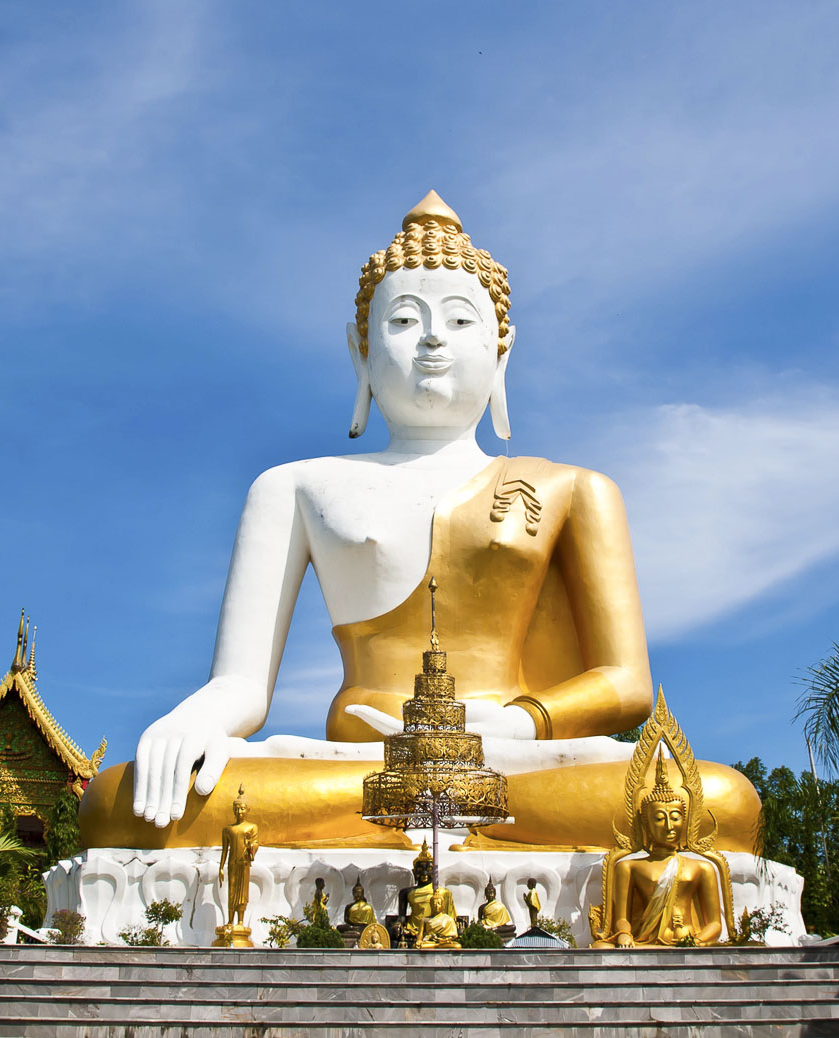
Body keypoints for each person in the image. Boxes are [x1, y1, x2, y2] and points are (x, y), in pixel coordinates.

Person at [79, 192, 759, 852]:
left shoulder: (572, 489)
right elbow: (241, 687)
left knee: (715, 802)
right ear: (359, 350)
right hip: (358, 763)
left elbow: (627, 684)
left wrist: (520, 724)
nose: (433, 339)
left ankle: (433, 813)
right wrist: (197, 719)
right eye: (403, 321)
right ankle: (424, 817)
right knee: (126, 800)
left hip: (514, 760)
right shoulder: (294, 488)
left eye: (461, 322)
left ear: (502, 351)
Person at [595, 759, 723, 948]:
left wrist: (697, 942)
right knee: (602, 948)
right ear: (645, 824)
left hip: (689, 940)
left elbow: (714, 924)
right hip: (645, 942)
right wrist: (624, 934)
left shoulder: (703, 868)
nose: (669, 826)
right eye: (659, 818)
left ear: (686, 821)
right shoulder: (629, 866)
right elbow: (621, 918)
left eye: (675, 818)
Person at [218, 785, 258, 929]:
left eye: (242, 808)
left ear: (248, 810)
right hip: (232, 863)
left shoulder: (252, 827)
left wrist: (250, 847)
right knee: (232, 891)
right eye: (237, 809)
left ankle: (240, 921)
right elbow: (224, 850)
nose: (239, 812)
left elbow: (255, 844)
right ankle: (230, 921)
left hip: (244, 863)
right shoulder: (228, 829)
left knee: (242, 893)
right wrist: (221, 867)